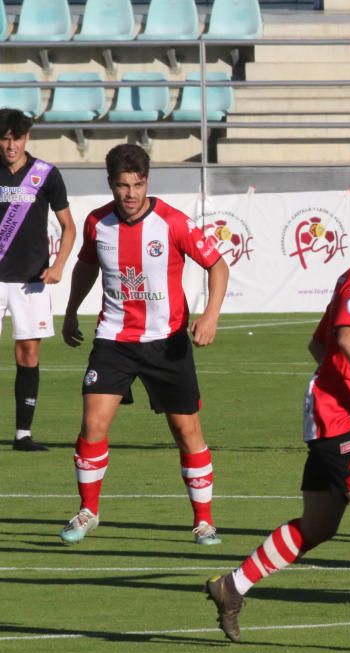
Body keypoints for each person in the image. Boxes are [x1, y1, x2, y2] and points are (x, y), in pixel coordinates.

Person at [205, 199, 350, 653]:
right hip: (336, 420)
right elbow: (347, 337)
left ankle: (232, 586)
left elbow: (320, 345)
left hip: (336, 413)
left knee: (319, 525)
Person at [59, 144, 229, 546]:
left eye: (137, 185)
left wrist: (210, 315)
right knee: (93, 423)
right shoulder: (97, 224)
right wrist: (70, 311)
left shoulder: (172, 222)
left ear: (147, 182)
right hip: (113, 339)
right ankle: (88, 511)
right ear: (111, 185)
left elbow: (217, 264)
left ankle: (203, 520)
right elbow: (85, 265)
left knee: (186, 431)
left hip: (166, 342)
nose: (130, 194)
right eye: (122, 186)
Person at [0, 108, 76, 452]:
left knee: (28, 355)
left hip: (31, 279)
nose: (10, 145)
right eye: (4, 138)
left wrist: (58, 264)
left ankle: (22, 435)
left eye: (16, 137)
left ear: (26, 137)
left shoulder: (45, 174)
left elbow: (69, 226)